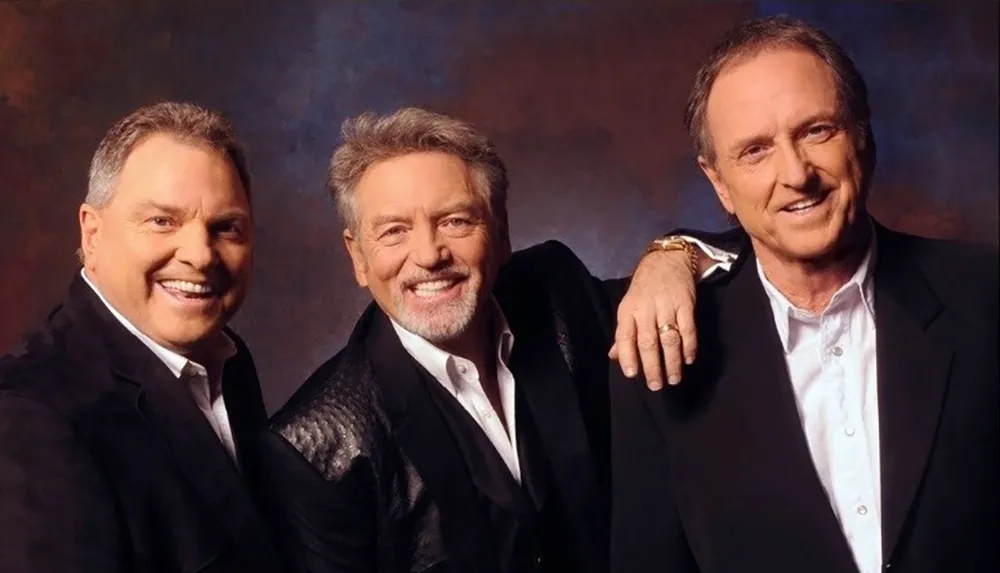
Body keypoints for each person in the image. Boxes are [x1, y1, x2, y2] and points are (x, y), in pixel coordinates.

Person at [609, 15, 999, 573]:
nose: (796, 173)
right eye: (755, 150)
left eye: (817, 130)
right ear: (718, 182)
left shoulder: (984, 296)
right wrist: (671, 251)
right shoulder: (656, 348)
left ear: (862, 136)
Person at [256, 107, 719, 573]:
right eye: (394, 231)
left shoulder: (559, 291)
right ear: (358, 257)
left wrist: (673, 256)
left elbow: (725, 271)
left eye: (455, 221)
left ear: (501, 233)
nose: (429, 255)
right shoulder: (314, 447)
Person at [0, 102, 282, 573]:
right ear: (92, 233)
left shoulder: (228, 359)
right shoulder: (29, 420)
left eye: (225, 227)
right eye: (162, 221)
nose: (200, 255)